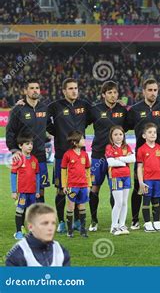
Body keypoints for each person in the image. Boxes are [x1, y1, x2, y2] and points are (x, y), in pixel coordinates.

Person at [126, 78, 160, 229]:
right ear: (143, 91)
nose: (153, 93)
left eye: (155, 90)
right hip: (141, 156)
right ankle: (135, 219)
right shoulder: (135, 109)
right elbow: (123, 127)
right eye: (150, 90)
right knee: (138, 187)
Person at [47, 78, 91, 233]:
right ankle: (61, 222)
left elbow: (92, 119)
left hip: (80, 155)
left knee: (80, 187)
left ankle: (78, 221)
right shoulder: (54, 106)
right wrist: (58, 132)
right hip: (61, 155)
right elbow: (43, 119)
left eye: (76, 88)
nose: (74, 91)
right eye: (71, 88)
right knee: (60, 189)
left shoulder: (84, 105)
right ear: (64, 91)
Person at [87, 80, 128, 232]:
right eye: (109, 92)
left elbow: (129, 126)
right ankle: (93, 220)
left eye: (115, 92)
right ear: (103, 94)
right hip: (98, 155)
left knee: (115, 190)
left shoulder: (122, 111)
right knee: (95, 188)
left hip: (116, 157)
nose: (113, 95)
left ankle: (116, 221)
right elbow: (81, 123)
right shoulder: (95, 109)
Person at [6, 79, 49, 203]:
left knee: (40, 188)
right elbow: (10, 132)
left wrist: (49, 136)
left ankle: (40, 218)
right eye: (31, 88)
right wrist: (14, 151)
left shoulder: (44, 107)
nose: (35, 90)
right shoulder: (17, 110)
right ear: (25, 91)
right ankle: (23, 219)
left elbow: (49, 126)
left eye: (37, 88)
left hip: (40, 154)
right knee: (25, 188)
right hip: (24, 156)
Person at [6, 203, 71, 266]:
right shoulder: (18, 253)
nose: (50, 228)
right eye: (45, 223)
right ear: (30, 226)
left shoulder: (61, 250)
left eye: (53, 223)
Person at [136, 123, 160, 232]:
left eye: (154, 132)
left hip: (158, 180)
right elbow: (139, 167)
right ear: (144, 136)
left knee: (156, 201)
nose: (153, 134)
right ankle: (147, 223)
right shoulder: (141, 149)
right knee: (146, 201)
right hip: (147, 180)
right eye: (150, 132)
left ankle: (157, 222)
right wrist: (141, 182)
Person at [61, 131, 92, 237]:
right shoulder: (67, 155)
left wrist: (89, 185)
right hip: (72, 186)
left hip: (83, 186)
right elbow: (64, 170)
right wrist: (64, 185)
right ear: (75, 142)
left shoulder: (85, 155)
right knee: (70, 207)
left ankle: (83, 230)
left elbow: (88, 170)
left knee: (82, 207)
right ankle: (70, 231)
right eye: (82, 139)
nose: (84, 140)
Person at [105, 125, 135, 235]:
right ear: (111, 136)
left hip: (126, 176)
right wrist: (125, 161)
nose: (118, 137)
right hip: (115, 177)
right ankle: (114, 226)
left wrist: (120, 159)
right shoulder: (109, 147)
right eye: (115, 134)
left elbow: (133, 159)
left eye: (120, 134)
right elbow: (111, 162)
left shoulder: (126, 147)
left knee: (124, 202)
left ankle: (122, 225)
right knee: (118, 202)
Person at [10, 134, 41, 239]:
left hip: (32, 193)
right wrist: (14, 191)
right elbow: (13, 175)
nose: (30, 146)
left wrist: (37, 190)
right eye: (27, 144)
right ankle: (18, 232)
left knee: (31, 212)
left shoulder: (34, 160)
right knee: (20, 210)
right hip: (22, 192)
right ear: (20, 146)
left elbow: (37, 176)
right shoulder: (17, 159)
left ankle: (32, 232)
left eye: (31, 144)